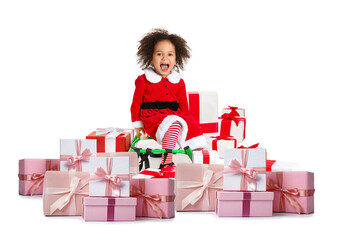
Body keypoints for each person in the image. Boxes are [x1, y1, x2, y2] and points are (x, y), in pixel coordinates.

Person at [131, 28, 206, 166]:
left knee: (190, 130)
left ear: (177, 59)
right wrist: (138, 126)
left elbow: (184, 106)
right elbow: (136, 104)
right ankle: (167, 160)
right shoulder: (143, 80)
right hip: (152, 117)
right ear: (150, 58)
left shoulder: (179, 81)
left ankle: (198, 157)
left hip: (175, 115)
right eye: (159, 54)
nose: (165, 58)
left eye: (170, 54)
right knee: (174, 124)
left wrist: (186, 121)